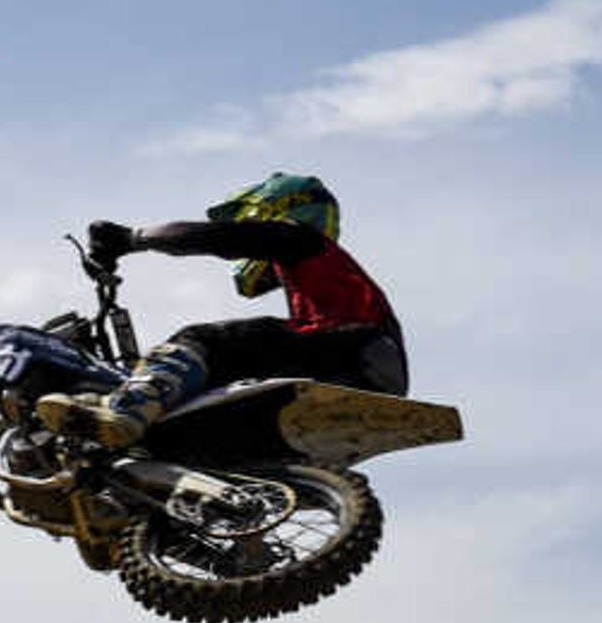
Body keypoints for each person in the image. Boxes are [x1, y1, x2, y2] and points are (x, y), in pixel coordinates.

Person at [35, 172, 407, 444]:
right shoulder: (321, 279)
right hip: (372, 371)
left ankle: (129, 409)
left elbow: (219, 238)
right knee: (213, 392)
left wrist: (129, 239)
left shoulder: (298, 238)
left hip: (352, 350)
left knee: (204, 340)